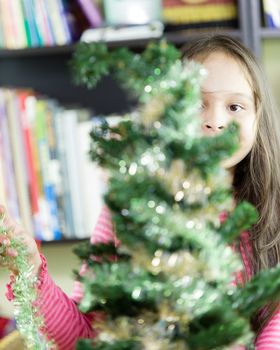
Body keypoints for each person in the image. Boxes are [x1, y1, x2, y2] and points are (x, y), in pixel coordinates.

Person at [0, 34, 280, 350]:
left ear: (258, 119)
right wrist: (32, 268)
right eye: (198, 103)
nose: (215, 121)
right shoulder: (128, 213)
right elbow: (87, 338)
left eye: (235, 106)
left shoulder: (273, 216)